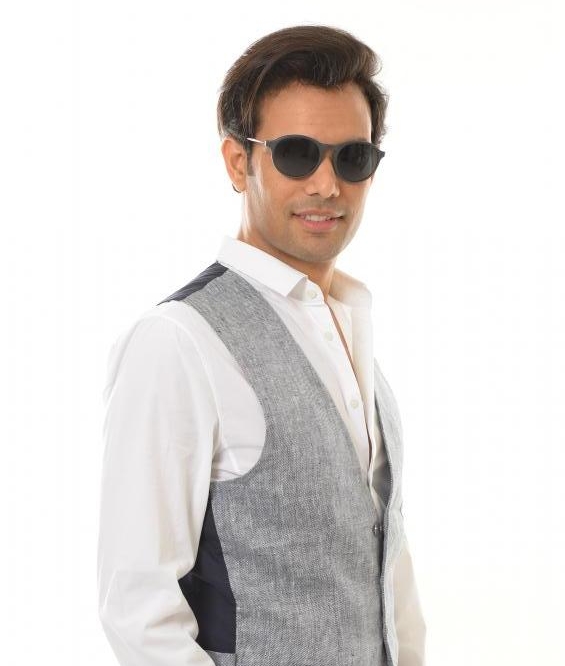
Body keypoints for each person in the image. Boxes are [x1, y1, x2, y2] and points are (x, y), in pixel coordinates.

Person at [97, 24, 426, 666]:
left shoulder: (355, 338)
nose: (326, 185)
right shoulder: (178, 342)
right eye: (297, 154)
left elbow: (388, 570)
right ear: (237, 161)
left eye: (352, 158)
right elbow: (138, 614)